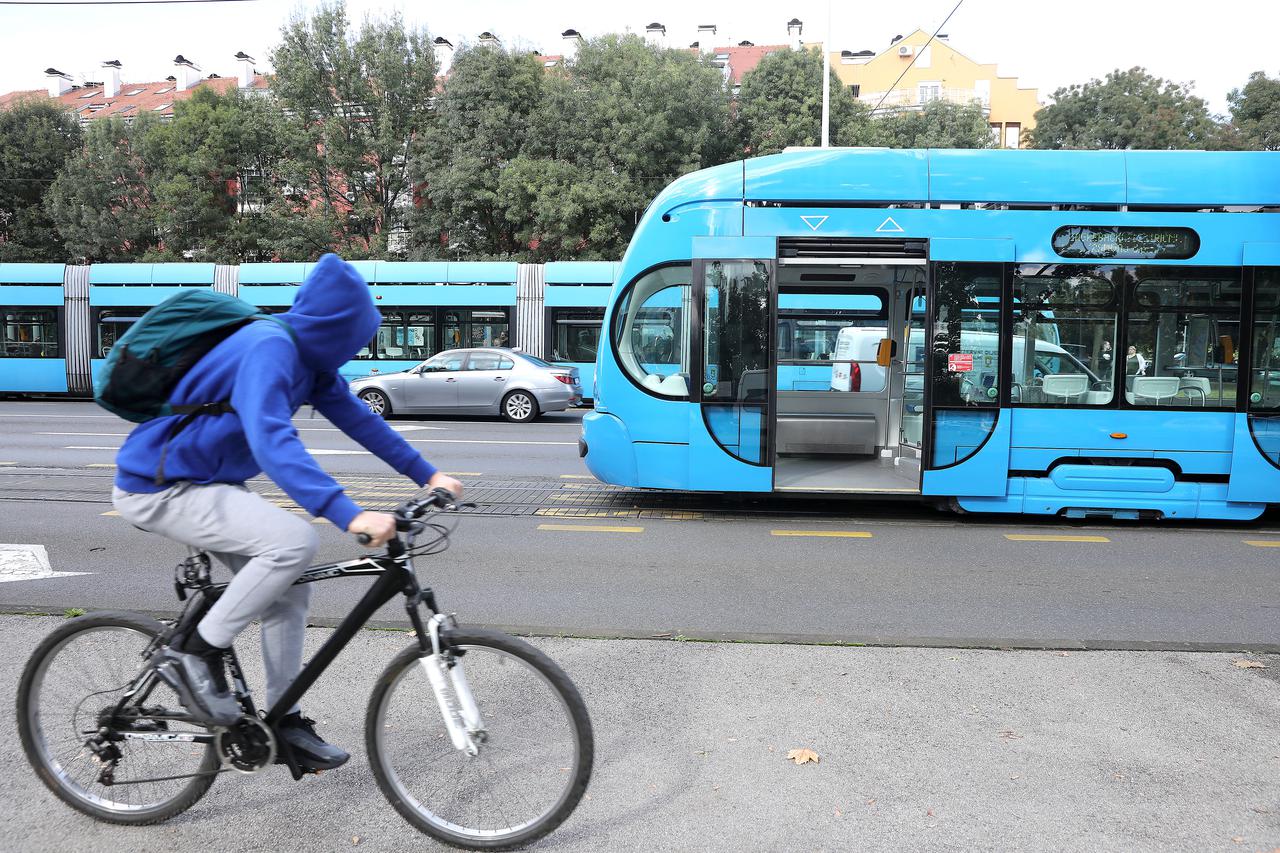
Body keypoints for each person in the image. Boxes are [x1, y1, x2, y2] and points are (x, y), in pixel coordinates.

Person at [111, 254, 462, 771]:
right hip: (159, 486)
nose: (355, 350)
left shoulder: (311, 364)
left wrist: (427, 475)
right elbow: (274, 441)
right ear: (333, 328)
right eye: (354, 338)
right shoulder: (269, 348)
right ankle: (194, 650)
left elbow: (361, 422)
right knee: (293, 543)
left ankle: (282, 720)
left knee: (289, 587)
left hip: (209, 483)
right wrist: (348, 514)